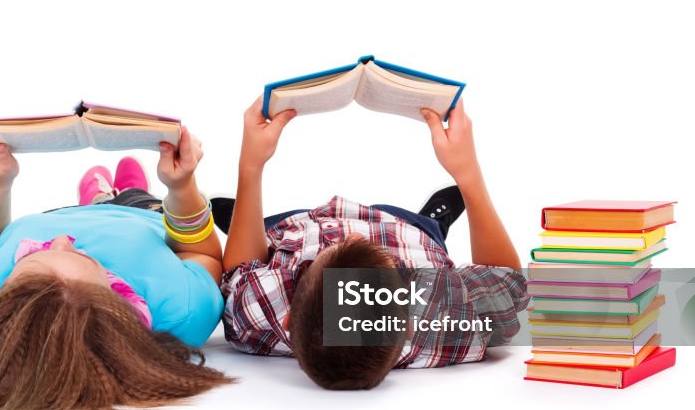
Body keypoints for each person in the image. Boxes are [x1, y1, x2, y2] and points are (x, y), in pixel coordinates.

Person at [0, 127, 233, 410]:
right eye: (87, 259)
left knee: (102, 193)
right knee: (138, 194)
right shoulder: (182, 314)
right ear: (119, 302)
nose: (61, 240)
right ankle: (125, 191)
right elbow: (198, 250)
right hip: (145, 217)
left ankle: (98, 194)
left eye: (31, 257)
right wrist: (182, 186)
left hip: (47, 216)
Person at [214, 97, 528, 390]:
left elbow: (240, 270)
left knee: (259, 232)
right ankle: (434, 221)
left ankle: (245, 215)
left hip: (300, 225)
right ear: (407, 324)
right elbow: (508, 283)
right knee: (429, 229)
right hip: (406, 227)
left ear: (288, 319)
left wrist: (251, 167)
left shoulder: (256, 312)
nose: (353, 236)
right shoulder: (443, 319)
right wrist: (468, 174)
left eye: (322, 256)